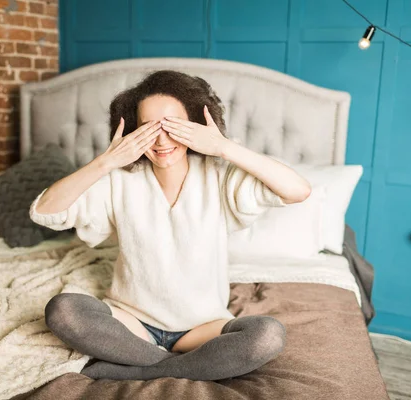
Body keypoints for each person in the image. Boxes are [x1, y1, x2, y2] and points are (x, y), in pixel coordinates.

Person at [29, 70, 312, 381]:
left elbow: (298, 190)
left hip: (202, 328)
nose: (162, 140)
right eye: (149, 129)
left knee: (268, 335)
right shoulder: (119, 181)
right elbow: (44, 212)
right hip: (132, 322)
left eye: (173, 126)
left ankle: (138, 370)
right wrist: (106, 162)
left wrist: (223, 147)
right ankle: (177, 367)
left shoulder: (219, 175)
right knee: (63, 310)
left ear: (196, 126)